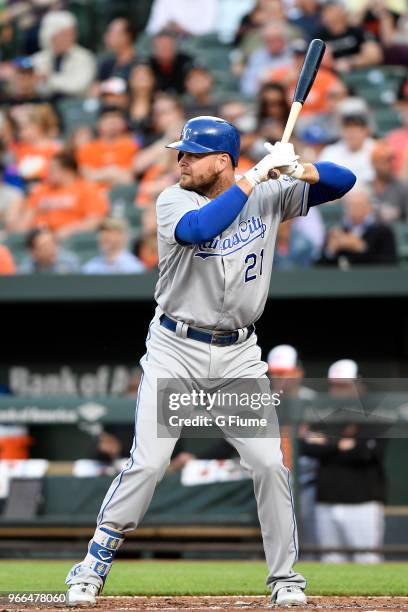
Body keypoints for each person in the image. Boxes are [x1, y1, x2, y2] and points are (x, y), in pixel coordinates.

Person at [64, 115, 355, 607]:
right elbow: (201, 227)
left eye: (193, 154)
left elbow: (343, 182)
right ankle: (93, 563)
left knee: (267, 463)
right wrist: (255, 175)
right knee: (150, 463)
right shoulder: (172, 199)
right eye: (181, 152)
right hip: (176, 348)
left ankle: (285, 578)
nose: (181, 160)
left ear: (221, 160)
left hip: (239, 356)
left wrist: (299, 168)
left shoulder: (267, 193)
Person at [300, 359, 387, 563]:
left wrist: (327, 443)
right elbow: (306, 447)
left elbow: (366, 452)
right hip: (325, 501)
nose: (339, 391)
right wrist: (341, 444)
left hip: (362, 502)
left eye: (345, 385)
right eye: (335, 386)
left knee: (368, 562)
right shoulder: (322, 415)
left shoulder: (374, 414)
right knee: (330, 562)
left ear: (359, 385)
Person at [19, 151, 109, 241]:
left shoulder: (88, 189)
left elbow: (93, 221)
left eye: (52, 170)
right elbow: (25, 221)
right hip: (38, 239)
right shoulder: (41, 190)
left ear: (68, 171)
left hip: (71, 240)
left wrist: (69, 230)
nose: (48, 174)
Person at [320, 185, 397, 266]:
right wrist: (331, 250)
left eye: (359, 205)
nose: (355, 210)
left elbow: (389, 264)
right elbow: (320, 265)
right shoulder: (337, 232)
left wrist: (361, 248)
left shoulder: (383, 232)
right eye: (351, 206)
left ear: (369, 207)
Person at [30, 11, 96, 99]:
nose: (72, 38)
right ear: (51, 36)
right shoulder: (38, 59)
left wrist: (48, 80)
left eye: (72, 34)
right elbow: (35, 88)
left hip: (75, 107)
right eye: (65, 35)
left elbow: (78, 86)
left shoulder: (85, 57)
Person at [77, 107, 139, 190]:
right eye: (107, 118)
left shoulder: (132, 145)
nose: (112, 122)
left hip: (123, 192)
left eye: (116, 118)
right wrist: (113, 172)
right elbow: (88, 177)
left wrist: (102, 174)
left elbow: (129, 178)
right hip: (96, 195)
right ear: (98, 123)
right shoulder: (87, 149)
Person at [319, 98, 376, 184]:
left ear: (366, 129)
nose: (351, 132)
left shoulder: (377, 149)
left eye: (356, 126)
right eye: (347, 126)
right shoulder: (330, 152)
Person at [316, 0, 383, 73]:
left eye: (330, 10)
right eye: (324, 10)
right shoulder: (319, 37)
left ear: (341, 10)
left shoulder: (357, 31)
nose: (325, 14)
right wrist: (331, 64)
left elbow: (375, 55)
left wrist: (349, 62)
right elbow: (313, 62)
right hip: (331, 77)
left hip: (359, 73)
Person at [240, 22, 294, 97]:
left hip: (290, 98)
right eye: (268, 40)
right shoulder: (257, 57)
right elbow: (248, 87)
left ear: (285, 39)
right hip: (264, 99)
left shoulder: (295, 54)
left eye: (277, 39)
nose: (273, 43)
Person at [369, 139, 408, 222]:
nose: (390, 164)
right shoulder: (365, 187)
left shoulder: (403, 188)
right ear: (374, 163)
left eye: (391, 160)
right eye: (385, 160)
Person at [94, 18, 138, 90]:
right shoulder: (106, 65)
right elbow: (96, 89)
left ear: (126, 37)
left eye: (111, 32)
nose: (106, 37)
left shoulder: (141, 66)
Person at [147, 30, 194, 95]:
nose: (164, 50)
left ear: (175, 47)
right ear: (154, 49)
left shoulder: (186, 62)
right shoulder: (147, 66)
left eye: (168, 46)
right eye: (160, 47)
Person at [146, 0, 218, 36]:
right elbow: (152, 28)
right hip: (167, 38)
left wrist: (185, 29)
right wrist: (168, 27)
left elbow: (210, 29)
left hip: (196, 41)